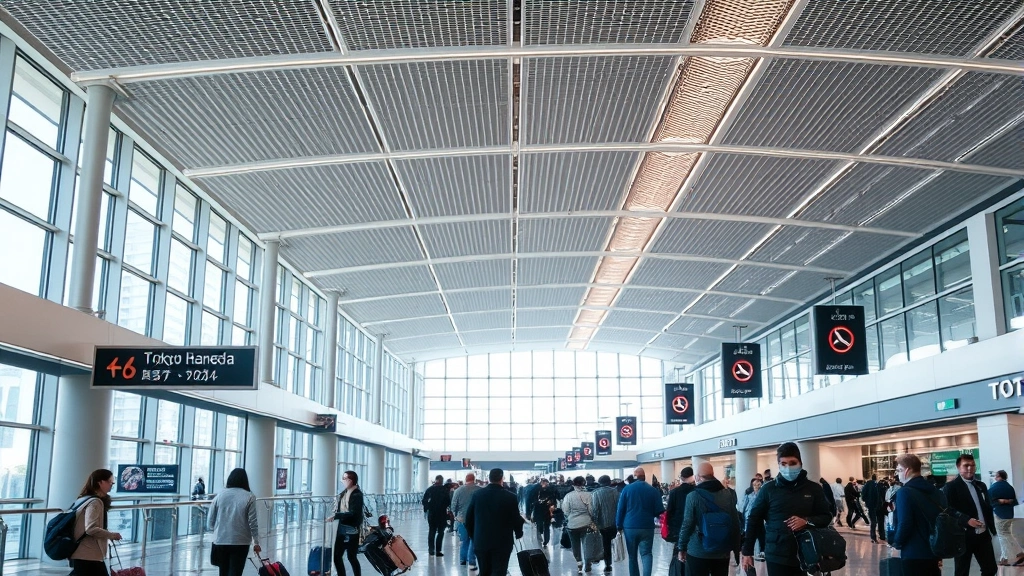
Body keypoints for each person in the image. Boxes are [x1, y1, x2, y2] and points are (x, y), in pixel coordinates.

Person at [741, 442, 832, 576]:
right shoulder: (768, 489)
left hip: (808, 554)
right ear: (778, 465)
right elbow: (754, 519)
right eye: (783, 464)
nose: (788, 467)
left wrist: (807, 521)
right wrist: (747, 551)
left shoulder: (813, 489)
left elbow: (826, 516)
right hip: (777, 555)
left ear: (800, 463)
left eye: (792, 462)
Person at [676, 463, 740, 576]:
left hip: (698, 550)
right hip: (722, 550)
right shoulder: (727, 494)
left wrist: (681, 547)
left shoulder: (693, 496)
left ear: (698, 477)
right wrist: (736, 549)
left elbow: (687, 524)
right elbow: (735, 523)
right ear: (713, 475)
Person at [942, 453, 997, 576]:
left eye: (972, 465)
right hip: (963, 536)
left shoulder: (980, 485)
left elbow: (986, 507)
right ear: (958, 467)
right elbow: (947, 510)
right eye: (966, 465)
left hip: (983, 535)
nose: (970, 468)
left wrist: (991, 528)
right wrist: (966, 520)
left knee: (990, 569)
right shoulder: (951, 487)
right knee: (962, 571)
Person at [890, 454, 944, 576]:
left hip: (912, 551)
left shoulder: (904, 492)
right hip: (934, 549)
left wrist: (897, 544)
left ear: (907, 470)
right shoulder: (934, 491)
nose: (897, 474)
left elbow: (905, 523)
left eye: (899, 470)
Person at [464, 468, 525, 576]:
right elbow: (516, 519)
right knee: (499, 571)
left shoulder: (477, 495)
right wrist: (519, 532)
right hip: (502, 543)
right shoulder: (510, 497)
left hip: (481, 542)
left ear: (489, 478)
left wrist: (474, 536)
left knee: (484, 572)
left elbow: (468, 520)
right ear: (502, 479)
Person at [68, 469, 122, 576]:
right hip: (88, 553)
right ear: (100, 482)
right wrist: (111, 535)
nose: (112, 485)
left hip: (82, 552)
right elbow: (91, 528)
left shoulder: (83, 499)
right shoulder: (95, 502)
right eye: (110, 482)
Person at [208, 468, 261, 576]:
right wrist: (256, 542)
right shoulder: (249, 496)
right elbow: (253, 522)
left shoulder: (220, 495)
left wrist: (217, 529)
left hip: (221, 540)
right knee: (235, 572)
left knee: (223, 572)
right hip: (241, 541)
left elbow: (210, 521)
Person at [615, 466, 665, 576]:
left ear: (635, 476)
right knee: (647, 553)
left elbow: (621, 509)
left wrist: (618, 525)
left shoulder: (627, 489)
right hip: (647, 526)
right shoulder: (653, 490)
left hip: (630, 527)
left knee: (632, 556)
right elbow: (659, 511)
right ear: (644, 477)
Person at [989, 470, 1024, 566]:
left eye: (996, 476)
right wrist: (1007, 501)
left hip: (999, 513)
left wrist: (1001, 502)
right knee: (1006, 534)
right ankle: (1005, 558)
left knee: (1003, 535)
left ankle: (1016, 554)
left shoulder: (994, 487)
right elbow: (1015, 501)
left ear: (999, 476)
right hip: (1009, 514)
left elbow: (989, 501)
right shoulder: (1010, 487)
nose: (995, 478)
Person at [333, 470, 364, 576]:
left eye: (344, 478)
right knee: (337, 556)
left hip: (351, 529)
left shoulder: (357, 494)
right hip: (341, 528)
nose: (342, 481)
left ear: (350, 481)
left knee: (351, 556)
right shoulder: (344, 493)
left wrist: (337, 515)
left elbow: (353, 513)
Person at [562, 476, 596, 573]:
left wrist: (571, 516)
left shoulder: (568, 496)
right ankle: (588, 563)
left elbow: (566, 510)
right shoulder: (589, 495)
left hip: (572, 524)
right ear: (584, 483)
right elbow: (592, 510)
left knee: (575, 545)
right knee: (587, 544)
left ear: (573, 484)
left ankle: (579, 563)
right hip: (586, 523)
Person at [590, 475, 620, 573]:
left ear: (599, 483)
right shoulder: (617, 492)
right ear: (609, 482)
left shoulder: (596, 493)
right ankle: (618, 556)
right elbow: (620, 508)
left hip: (603, 524)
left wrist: (593, 522)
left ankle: (608, 564)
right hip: (615, 523)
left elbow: (595, 510)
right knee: (616, 542)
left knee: (606, 544)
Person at [451, 472, 482, 569]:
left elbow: (453, 505)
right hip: (475, 520)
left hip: (461, 519)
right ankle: (472, 561)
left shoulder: (458, 490)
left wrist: (456, 516)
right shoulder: (479, 490)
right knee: (473, 540)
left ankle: (462, 560)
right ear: (474, 479)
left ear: (466, 479)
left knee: (464, 540)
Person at [665, 466, 695, 546]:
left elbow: (670, 511)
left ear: (681, 477)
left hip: (678, 525)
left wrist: (670, 526)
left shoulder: (674, 492)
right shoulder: (697, 491)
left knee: (678, 549)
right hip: (694, 526)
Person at [423, 474, 452, 556]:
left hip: (432, 514)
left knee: (432, 531)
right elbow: (448, 502)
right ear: (442, 481)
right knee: (441, 532)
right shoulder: (444, 490)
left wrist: (428, 508)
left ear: (436, 480)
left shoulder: (429, 489)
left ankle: (431, 549)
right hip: (442, 514)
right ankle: (438, 551)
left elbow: (424, 501)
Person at [739, 477, 765, 560]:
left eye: (758, 484)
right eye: (754, 484)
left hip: (760, 517)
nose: (756, 486)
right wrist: (741, 515)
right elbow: (744, 504)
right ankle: (749, 553)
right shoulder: (748, 493)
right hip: (749, 516)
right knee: (749, 535)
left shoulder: (762, 493)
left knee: (761, 534)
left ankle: (761, 551)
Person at [535, 478, 558, 546]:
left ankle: (546, 540)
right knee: (542, 525)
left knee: (546, 526)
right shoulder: (538, 490)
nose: (544, 484)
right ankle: (545, 538)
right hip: (541, 510)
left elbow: (554, 500)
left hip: (546, 510)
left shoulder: (550, 490)